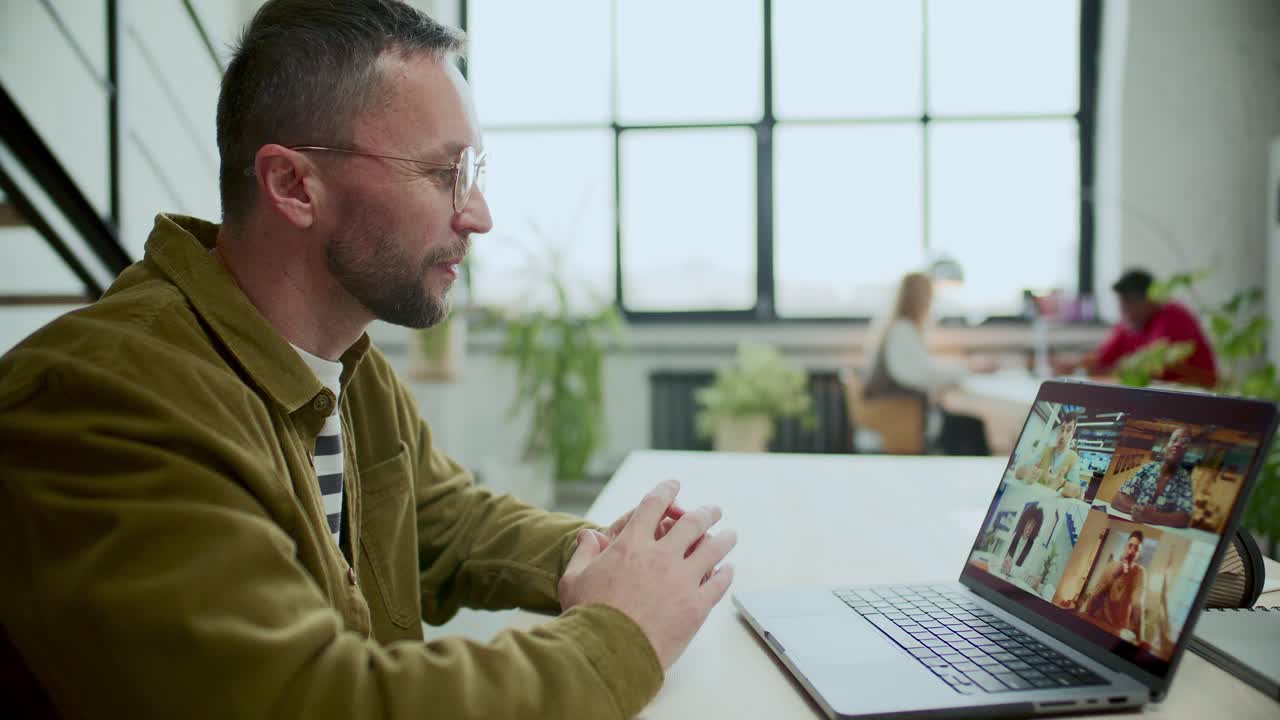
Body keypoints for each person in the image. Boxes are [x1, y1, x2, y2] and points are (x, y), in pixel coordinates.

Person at [0, 2, 736, 718]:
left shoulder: (343, 359)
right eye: (443, 172)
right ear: (293, 186)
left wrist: (604, 556)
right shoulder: (100, 399)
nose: (478, 214)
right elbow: (315, 699)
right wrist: (619, 637)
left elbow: (438, 518)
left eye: (473, 170)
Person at [863, 272, 994, 455]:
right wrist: (965, 368)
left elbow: (920, 367)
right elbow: (918, 374)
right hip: (898, 409)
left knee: (964, 424)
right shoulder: (902, 330)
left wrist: (959, 367)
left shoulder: (899, 327)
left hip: (903, 405)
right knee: (967, 427)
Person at [1054, 269, 1217, 387]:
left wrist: (1093, 369)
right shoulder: (1130, 323)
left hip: (1196, 395)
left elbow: (1151, 369)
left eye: (1130, 302)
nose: (1124, 310)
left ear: (1152, 299)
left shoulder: (1173, 317)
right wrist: (1075, 364)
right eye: (1121, 303)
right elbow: (1103, 358)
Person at [1111, 426, 1196, 528]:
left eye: (1184, 442)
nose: (1177, 444)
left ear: (1187, 450)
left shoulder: (1184, 479)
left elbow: (1185, 518)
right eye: (1174, 440)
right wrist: (1139, 511)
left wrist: (1155, 517)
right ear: (1167, 445)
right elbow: (1117, 499)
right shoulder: (1148, 468)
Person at [1083, 531, 1148, 644]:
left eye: (1136, 549)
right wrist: (1114, 577)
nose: (1131, 551)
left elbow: (1137, 604)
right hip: (1098, 623)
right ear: (1125, 546)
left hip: (1117, 632)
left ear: (1138, 554)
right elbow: (1090, 605)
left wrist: (1140, 639)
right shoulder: (1109, 567)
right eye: (1130, 546)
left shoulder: (1140, 573)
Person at [1014, 409, 1084, 498]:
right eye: (1062, 429)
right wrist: (1027, 473)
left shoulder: (1073, 458)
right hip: (1033, 497)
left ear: (1073, 433)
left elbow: (1076, 491)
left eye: (1068, 430)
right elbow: (1018, 473)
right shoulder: (1046, 451)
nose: (1063, 435)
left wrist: (1062, 483)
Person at [999, 504, 1045, 578]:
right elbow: (1001, 556)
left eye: (1033, 525)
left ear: (1036, 527)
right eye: (1029, 522)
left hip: (1015, 579)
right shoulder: (1014, 535)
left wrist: (1011, 568)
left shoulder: (1033, 545)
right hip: (1001, 573)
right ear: (1024, 521)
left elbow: (1026, 570)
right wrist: (1004, 562)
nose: (1030, 527)